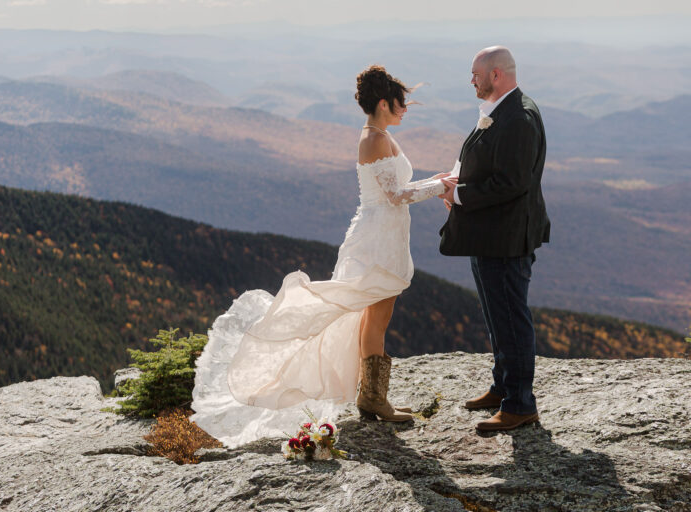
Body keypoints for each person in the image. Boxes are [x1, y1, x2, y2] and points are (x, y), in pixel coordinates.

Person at [190, 65, 449, 447]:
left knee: (374, 315)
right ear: (383, 103)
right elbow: (396, 195)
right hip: (378, 239)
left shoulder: (379, 135)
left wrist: (437, 181)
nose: (405, 109)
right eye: (400, 103)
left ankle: (371, 395)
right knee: (376, 316)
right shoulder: (374, 140)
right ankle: (374, 398)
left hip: (384, 234)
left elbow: (398, 187)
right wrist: (439, 185)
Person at [437, 46, 550, 432]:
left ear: (496, 74)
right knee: (496, 316)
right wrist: (457, 180)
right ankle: (503, 387)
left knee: (511, 319)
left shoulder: (518, 117)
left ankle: (520, 404)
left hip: (506, 237)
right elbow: (490, 163)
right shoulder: (502, 111)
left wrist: (460, 195)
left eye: (476, 74)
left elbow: (512, 183)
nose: (472, 80)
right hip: (489, 234)